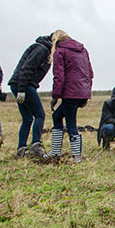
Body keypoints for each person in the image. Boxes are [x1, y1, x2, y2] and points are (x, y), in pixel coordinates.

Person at [47, 30, 94, 162]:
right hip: (81, 92)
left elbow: (59, 76)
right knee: (56, 116)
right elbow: (90, 73)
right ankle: (55, 152)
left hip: (70, 92)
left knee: (71, 123)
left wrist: (55, 96)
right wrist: (86, 93)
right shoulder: (82, 51)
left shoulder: (60, 52)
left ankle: (76, 156)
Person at [8, 34, 53, 158]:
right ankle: (35, 146)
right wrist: (22, 89)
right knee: (40, 115)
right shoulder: (41, 49)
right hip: (24, 85)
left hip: (19, 84)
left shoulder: (42, 48)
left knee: (27, 118)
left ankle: (21, 148)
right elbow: (26, 68)